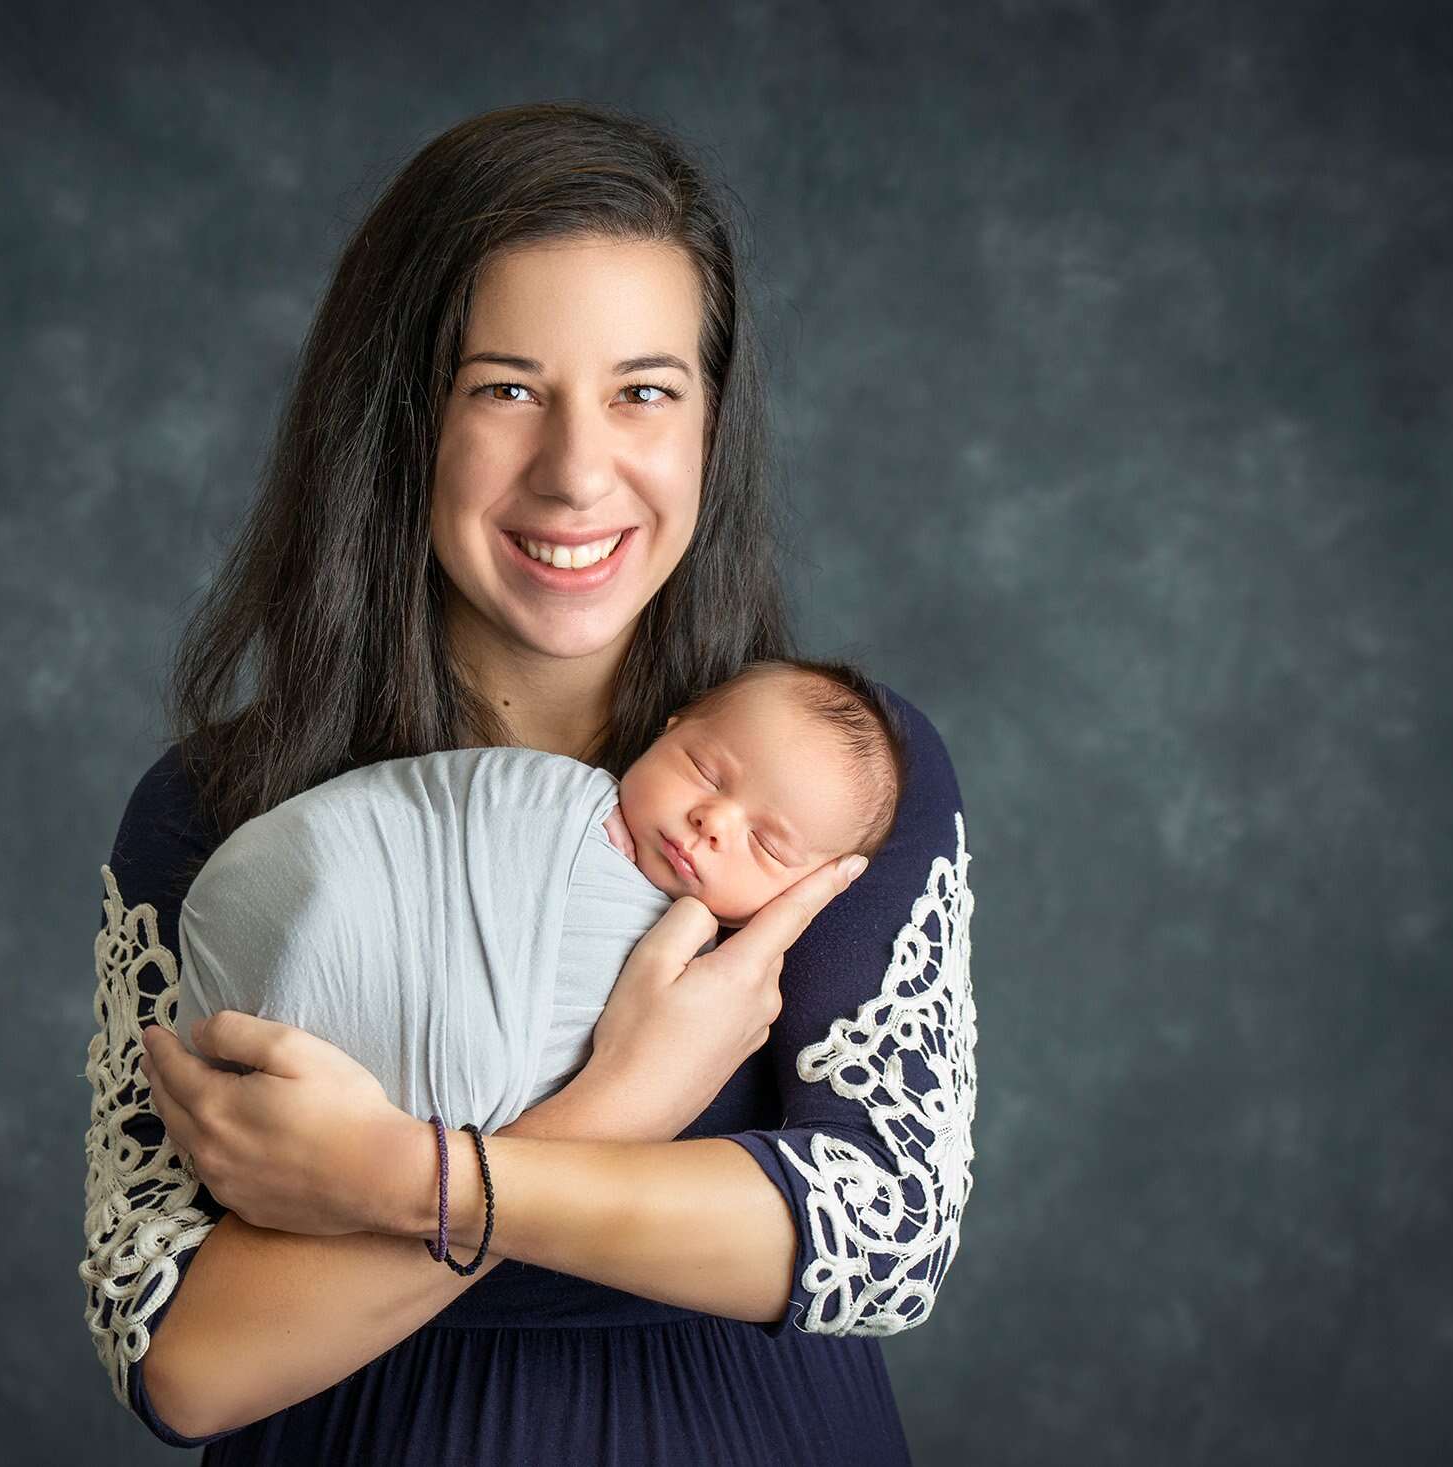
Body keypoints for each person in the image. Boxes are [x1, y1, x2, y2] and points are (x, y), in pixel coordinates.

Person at [80, 101, 977, 1463]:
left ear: (710, 425)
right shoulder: (218, 807)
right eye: (506, 387)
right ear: (400, 418)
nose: (577, 472)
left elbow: (886, 1236)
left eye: (644, 391)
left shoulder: (834, 774)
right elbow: (186, 1361)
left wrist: (400, 1177)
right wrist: (621, 1105)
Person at [167, 657, 910, 1140]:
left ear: (810, 891)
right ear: (666, 729)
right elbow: (409, 824)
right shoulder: (545, 799)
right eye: (705, 771)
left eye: (766, 844)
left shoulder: (723, 983)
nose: (712, 822)